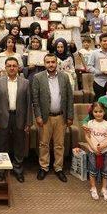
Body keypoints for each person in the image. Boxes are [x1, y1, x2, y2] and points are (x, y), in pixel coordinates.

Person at [31, 53, 74, 182]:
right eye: (48, 62)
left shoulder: (65, 77)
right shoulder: (38, 77)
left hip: (61, 116)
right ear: (44, 64)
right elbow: (35, 98)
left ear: (57, 63)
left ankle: (58, 168)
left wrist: (70, 116)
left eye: (53, 62)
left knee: (59, 144)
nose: (51, 64)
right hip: (45, 117)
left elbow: (70, 98)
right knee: (43, 144)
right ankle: (44, 167)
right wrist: (37, 115)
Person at [0, 57, 33, 183]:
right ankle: (1, 170)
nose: (11, 68)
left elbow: (28, 103)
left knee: (19, 144)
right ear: (5, 67)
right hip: (3, 117)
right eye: (9, 65)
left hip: (19, 117)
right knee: (1, 144)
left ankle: (18, 169)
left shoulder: (25, 82)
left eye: (14, 65)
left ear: (18, 67)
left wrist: (28, 122)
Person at [85, 102, 107, 201]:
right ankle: (93, 188)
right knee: (92, 170)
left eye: (100, 111)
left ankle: (104, 189)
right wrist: (93, 147)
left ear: (104, 112)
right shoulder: (90, 123)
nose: (98, 114)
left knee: (106, 171)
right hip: (93, 151)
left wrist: (104, 145)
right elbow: (87, 136)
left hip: (105, 152)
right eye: (95, 112)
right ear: (92, 112)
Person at [87, 33, 107, 100]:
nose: (106, 42)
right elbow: (89, 67)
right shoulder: (94, 53)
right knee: (99, 101)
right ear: (100, 42)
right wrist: (100, 72)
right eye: (104, 41)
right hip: (99, 82)